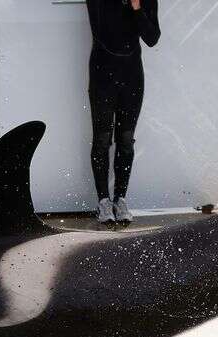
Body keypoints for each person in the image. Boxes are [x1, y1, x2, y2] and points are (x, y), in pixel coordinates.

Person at [86, 0, 159, 226]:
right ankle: (103, 201)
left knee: (126, 139)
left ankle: (120, 199)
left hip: (132, 75)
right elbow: (100, 28)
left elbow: (152, 38)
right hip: (103, 73)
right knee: (102, 138)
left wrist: (137, 7)